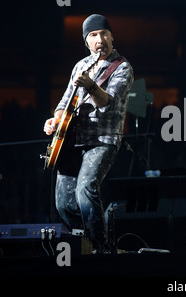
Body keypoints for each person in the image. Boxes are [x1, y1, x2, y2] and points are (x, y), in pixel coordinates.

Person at [43, 14, 134, 253]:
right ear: (86, 41)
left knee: (85, 189)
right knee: (63, 203)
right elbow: (64, 102)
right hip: (72, 140)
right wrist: (55, 120)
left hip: (103, 139)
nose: (99, 39)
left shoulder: (122, 67)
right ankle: (83, 242)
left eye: (103, 33)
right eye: (93, 35)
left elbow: (107, 103)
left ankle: (100, 247)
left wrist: (91, 86)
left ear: (112, 36)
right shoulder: (80, 66)